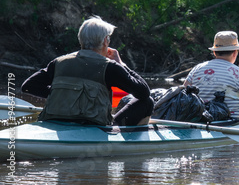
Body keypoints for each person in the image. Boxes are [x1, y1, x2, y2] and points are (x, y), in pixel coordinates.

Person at [21, 16, 154, 126]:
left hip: (54, 122)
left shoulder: (59, 62)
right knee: (147, 102)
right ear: (105, 41)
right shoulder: (111, 67)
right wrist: (122, 64)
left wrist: (62, 94)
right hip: (93, 126)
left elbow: (28, 86)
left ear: (81, 39)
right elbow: (143, 93)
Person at [183, 31, 239, 119]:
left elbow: (183, 96)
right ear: (235, 52)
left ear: (215, 52)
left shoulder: (196, 69)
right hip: (232, 125)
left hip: (199, 121)